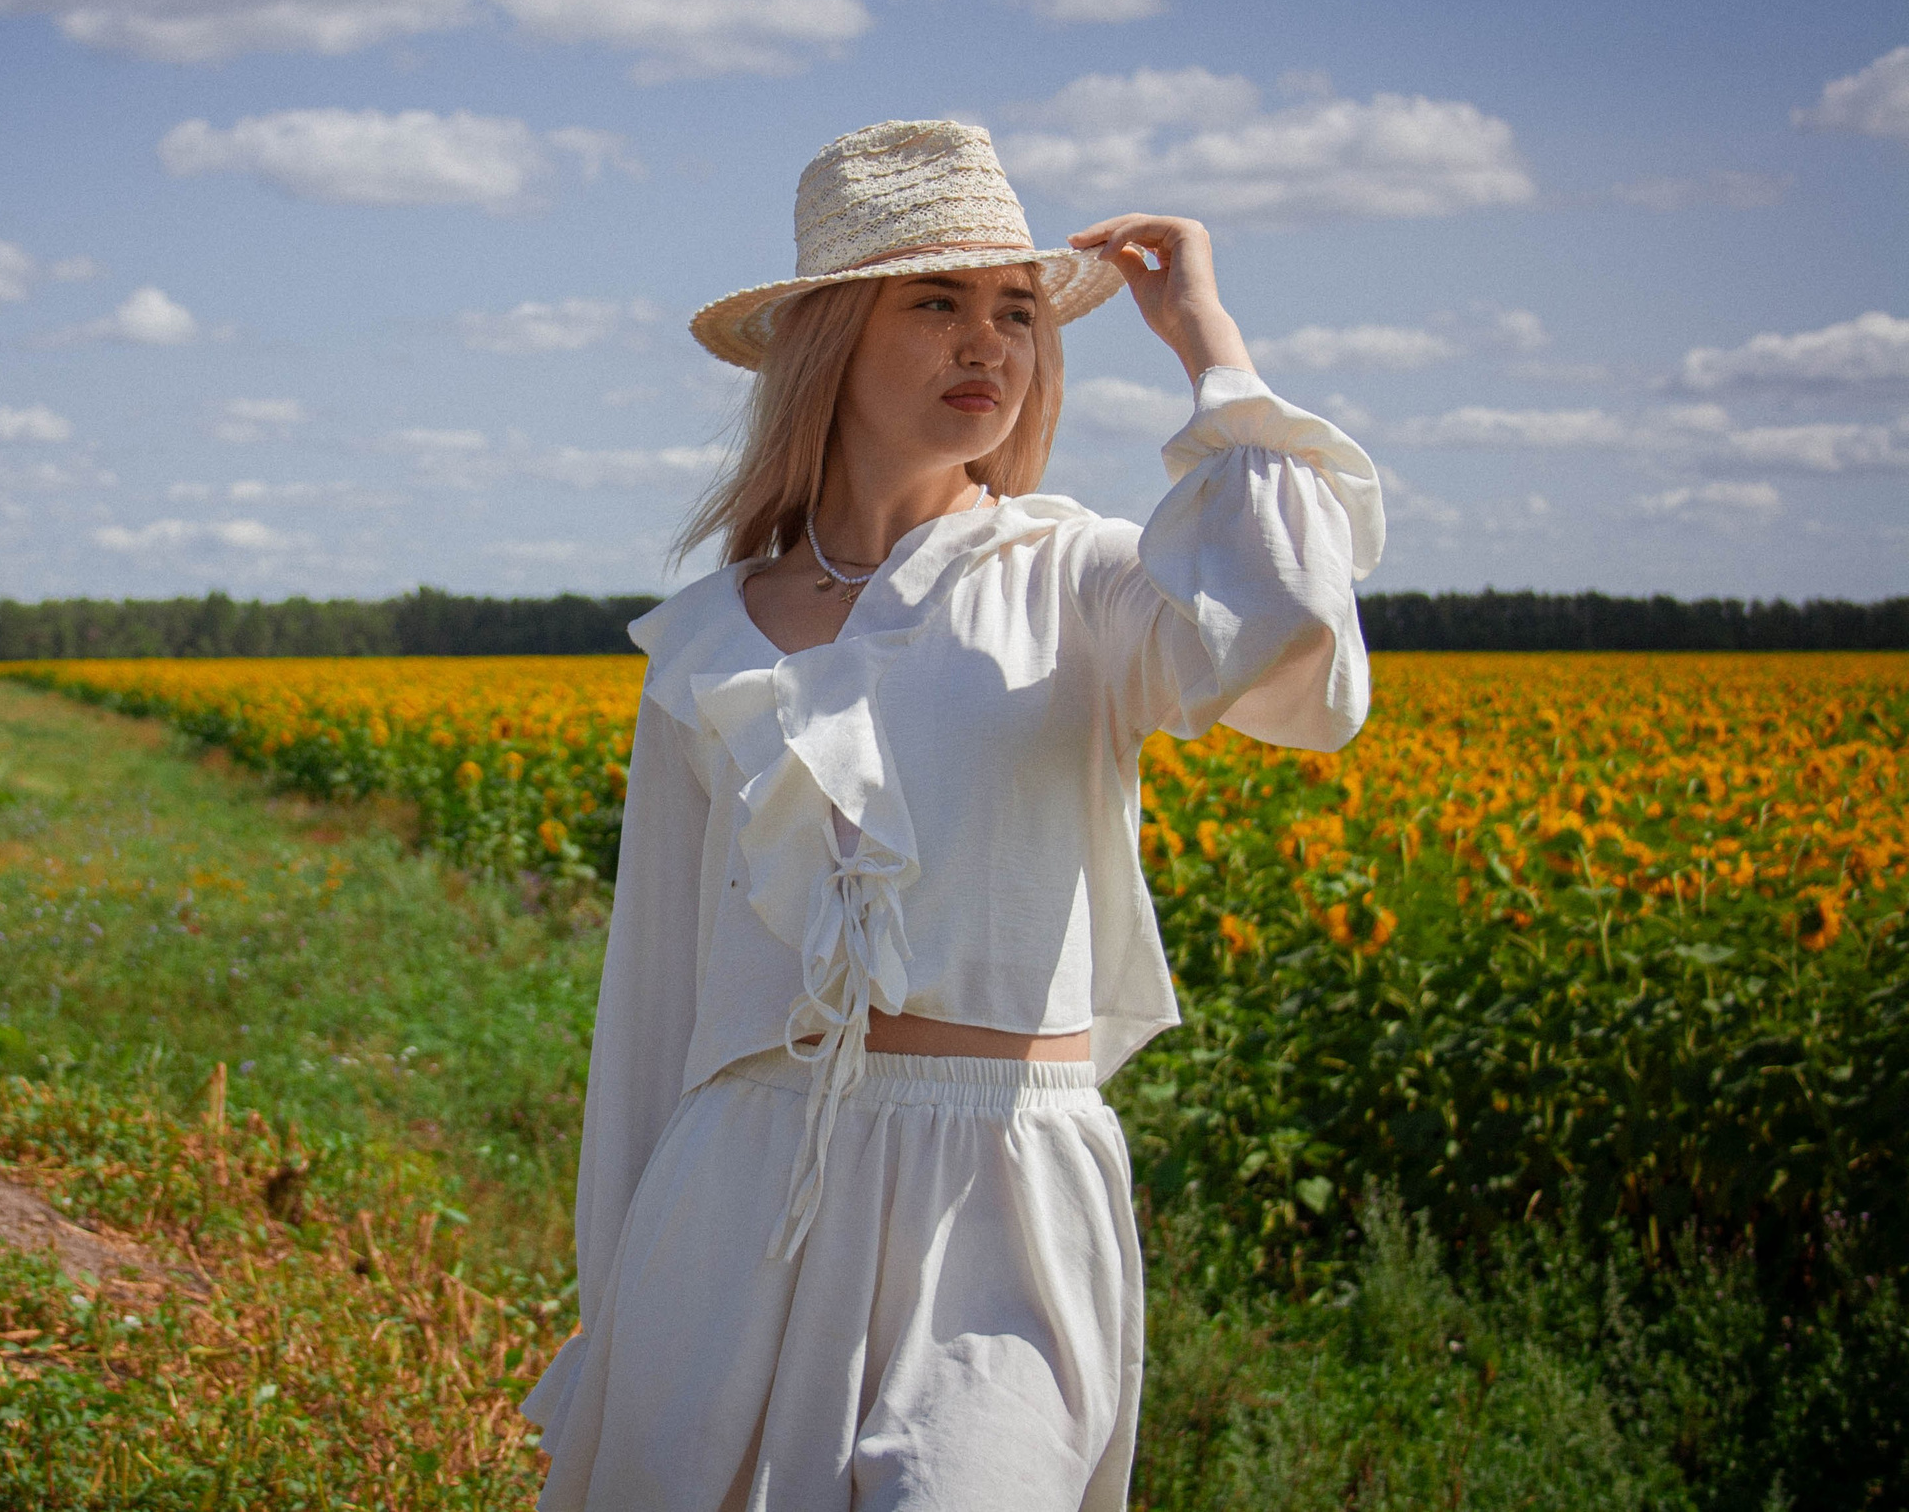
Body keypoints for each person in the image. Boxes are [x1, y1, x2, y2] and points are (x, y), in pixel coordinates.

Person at [522, 120, 1385, 1511]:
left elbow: (1295, 650)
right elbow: (655, 1001)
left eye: (1018, 314)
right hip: (738, 1188)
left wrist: (1209, 345)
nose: (988, 345)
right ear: (829, 343)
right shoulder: (706, 641)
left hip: (1001, 1194)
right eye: (936, 303)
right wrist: (612, 1304)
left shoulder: (1082, 582)